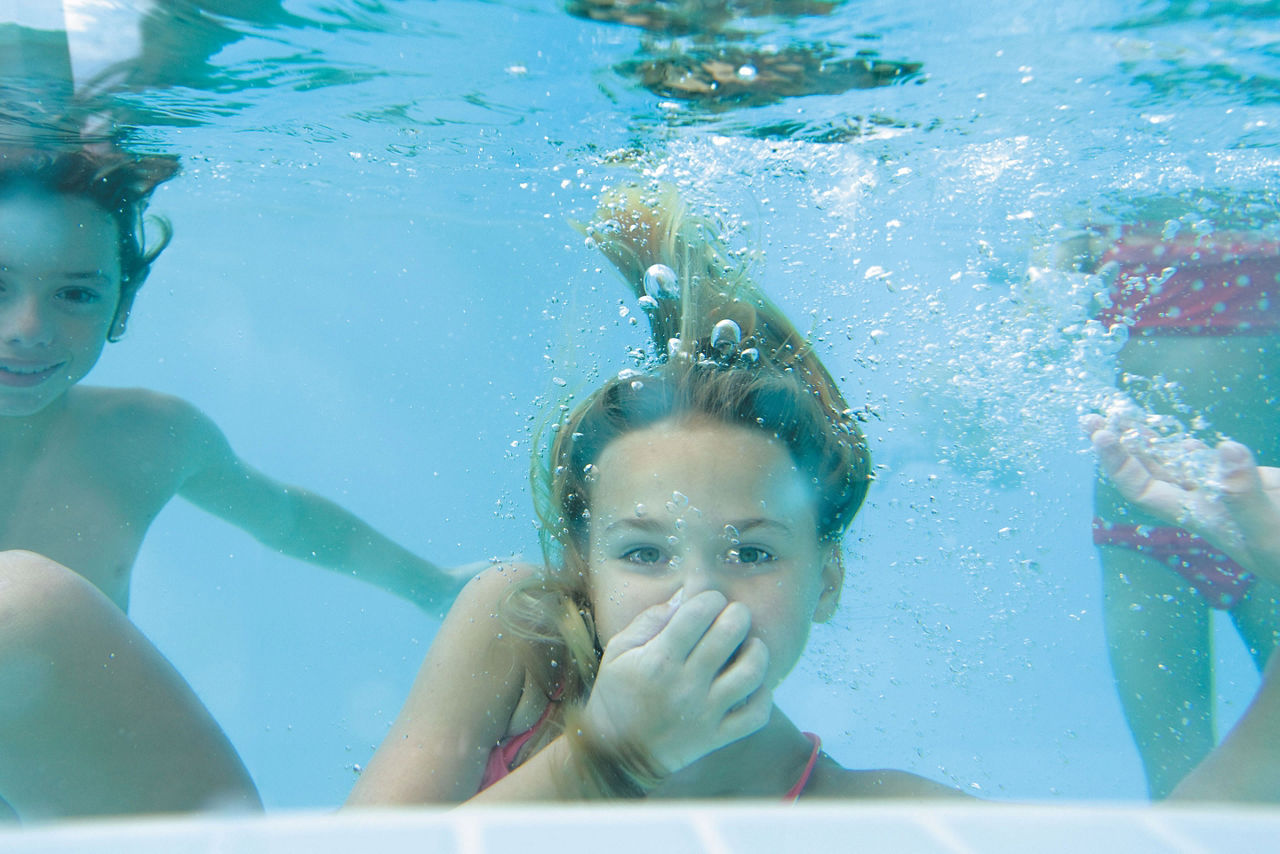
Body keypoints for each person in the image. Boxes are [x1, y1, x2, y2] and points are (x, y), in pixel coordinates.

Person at [344, 182, 1280, 805]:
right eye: (640, 552)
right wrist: (605, 758)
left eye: (751, 551)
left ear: (825, 579)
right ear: (579, 569)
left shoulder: (861, 813)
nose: (696, 597)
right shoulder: (520, 641)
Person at [0, 141, 473, 821]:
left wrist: (433, 586)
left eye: (75, 293)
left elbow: (287, 519)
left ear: (122, 307)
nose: (28, 328)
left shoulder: (146, 437)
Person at [1059, 203, 1280, 798]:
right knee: (1177, 780)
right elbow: (1039, 325)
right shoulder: (1092, 216)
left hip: (1271, 518)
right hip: (1142, 522)